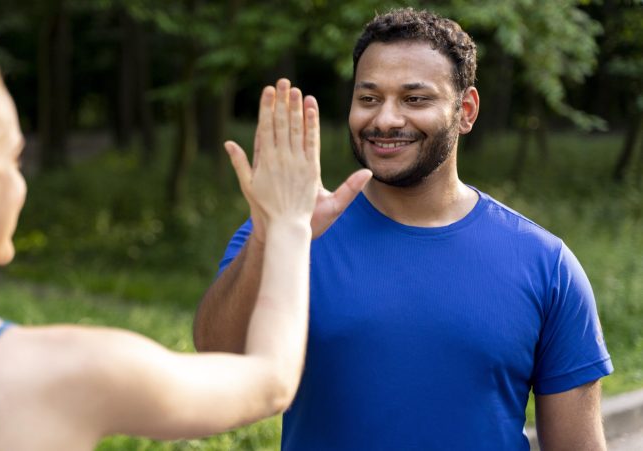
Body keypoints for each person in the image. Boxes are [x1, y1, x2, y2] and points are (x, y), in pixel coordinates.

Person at [0, 17, 372, 451]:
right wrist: (287, 222)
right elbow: (269, 381)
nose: (19, 179)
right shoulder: (69, 370)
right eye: (13, 157)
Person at [194, 7, 613, 451]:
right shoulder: (289, 228)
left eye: (414, 99)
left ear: (466, 111)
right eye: (369, 98)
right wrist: (271, 235)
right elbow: (220, 359)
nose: (385, 120)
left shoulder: (545, 264)